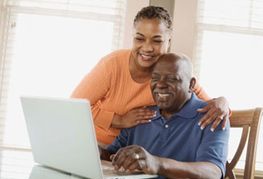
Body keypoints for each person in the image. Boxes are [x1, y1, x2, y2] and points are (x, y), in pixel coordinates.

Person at [71, 6, 229, 145]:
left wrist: (222, 102)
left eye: (157, 41)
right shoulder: (113, 64)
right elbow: (74, 106)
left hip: (136, 152)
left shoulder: (175, 72)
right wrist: (119, 120)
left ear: (168, 41)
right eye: (139, 38)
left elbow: (210, 106)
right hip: (95, 144)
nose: (147, 48)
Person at [101, 53, 230, 179]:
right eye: (155, 78)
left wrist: (157, 164)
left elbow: (213, 174)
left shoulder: (212, 115)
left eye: (171, 79)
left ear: (191, 84)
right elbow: (111, 156)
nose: (160, 85)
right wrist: (92, 150)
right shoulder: (140, 115)